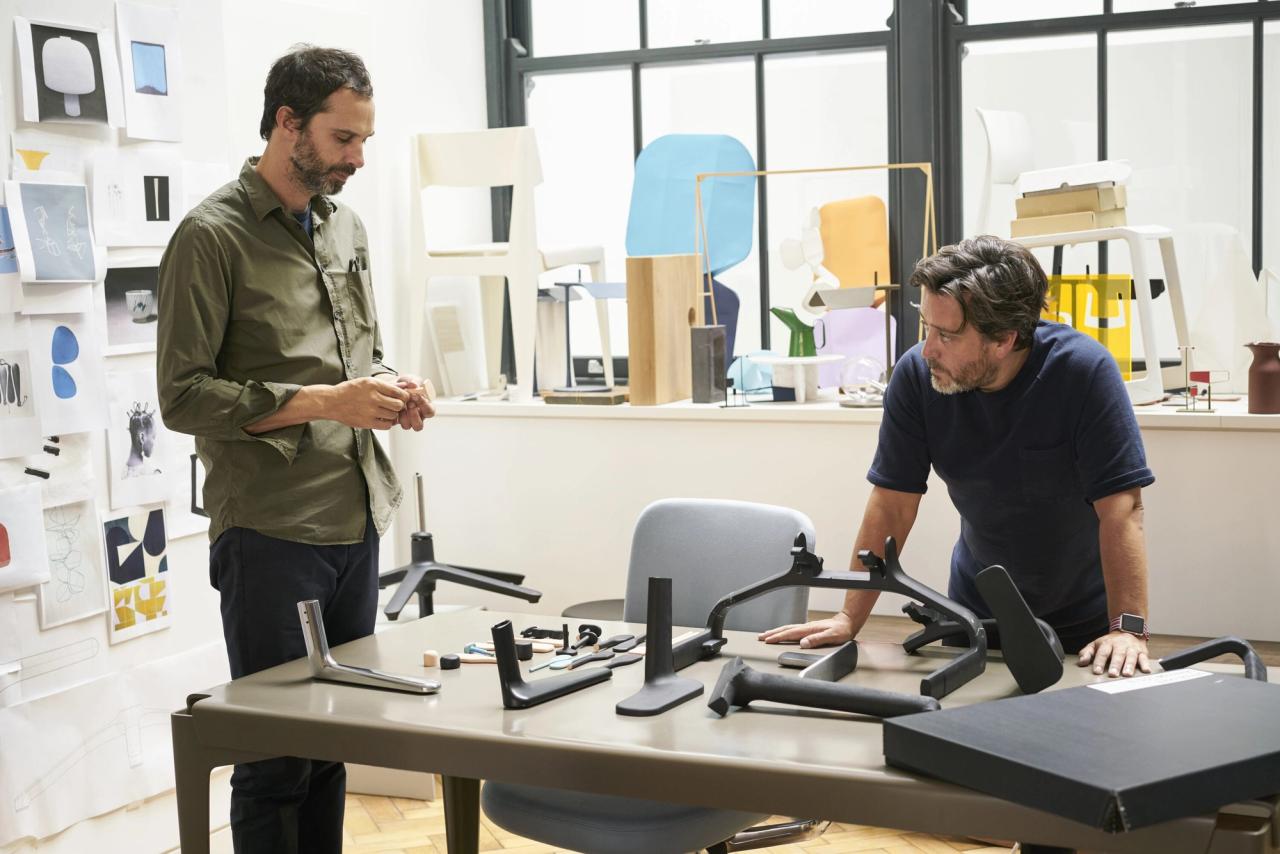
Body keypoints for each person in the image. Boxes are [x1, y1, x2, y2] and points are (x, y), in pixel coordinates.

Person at [157, 45, 433, 853]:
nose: (357, 158)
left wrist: (389, 388)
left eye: (363, 141)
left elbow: (353, 357)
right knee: (275, 759)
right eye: (345, 140)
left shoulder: (344, 224)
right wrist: (326, 402)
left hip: (356, 515)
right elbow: (182, 398)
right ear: (288, 124)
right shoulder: (211, 238)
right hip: (272, 533)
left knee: (332, 746)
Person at [761, 235, 1155, 680]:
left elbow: (1122, 511)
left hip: (1083, 625)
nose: (928, 349)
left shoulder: (1083, 374)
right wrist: (849, 617)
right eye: (927, 327)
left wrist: (1129, 629)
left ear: (1004, 339)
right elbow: (892, 504)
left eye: (947, 335)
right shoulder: (917, 376)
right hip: (972, 616)